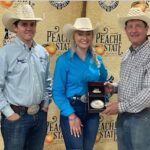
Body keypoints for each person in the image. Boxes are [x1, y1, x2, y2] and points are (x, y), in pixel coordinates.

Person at [0, 4, 51, 150]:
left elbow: (47, 80)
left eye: (32, 24)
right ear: (15, 27)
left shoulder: (43, 52)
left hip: (39, 116)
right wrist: (8, 112)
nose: (29, 28)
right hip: (16, 117)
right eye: (24, 24)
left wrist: (46, 102)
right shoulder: (5, 53)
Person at [52, 17, 108, 150]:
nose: (84, 37)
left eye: (88, 33)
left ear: (92, 36)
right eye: (80, 33)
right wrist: (71, 116)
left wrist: (104, 96)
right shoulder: (63, 60)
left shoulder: (97, 60)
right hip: (72, 109)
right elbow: (57, 92)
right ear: (74, 36)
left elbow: (103, 83)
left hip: (92, 110)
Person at [103, 7, 150, 150]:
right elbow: (129, 82)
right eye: (130, 26)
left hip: (143, 118)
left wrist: (120, 106)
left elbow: (149, 92)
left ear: (147, 28)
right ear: (125, 30)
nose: (133, 30)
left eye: (138, 26)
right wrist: (114, 87)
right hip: (124, 117)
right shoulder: (127, 55)